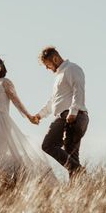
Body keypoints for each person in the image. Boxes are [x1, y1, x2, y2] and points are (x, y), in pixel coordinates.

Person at [0, 57, 55, 182]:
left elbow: (16, 100)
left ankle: (21, 172)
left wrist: (29, 116)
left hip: (0, 124)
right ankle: (10, 179)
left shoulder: (5, 82)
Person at [31, 46, 89, 179]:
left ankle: (79, 171)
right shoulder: (59, 76)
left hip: (73, 116)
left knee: (48, 145)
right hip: (67, 116)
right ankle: (78, 187)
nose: (47, 68)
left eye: (47, 65)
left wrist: (73, 112)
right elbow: (54, 101)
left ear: (55, 59)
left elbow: (78, 90)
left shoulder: (72, 69)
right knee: (71, 156)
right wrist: (40, 115)